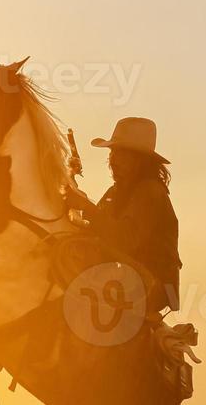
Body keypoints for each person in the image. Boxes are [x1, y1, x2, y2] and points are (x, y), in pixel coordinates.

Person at [68, 117, 181, 314]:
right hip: (126, 275)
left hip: (153, 284)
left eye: (122, 154)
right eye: (113, 152)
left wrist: (86, 207)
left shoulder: (150, 192)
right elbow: (100, 227)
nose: (113, 160)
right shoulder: (117, 192)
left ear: (140, 160)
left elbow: (125, 239)